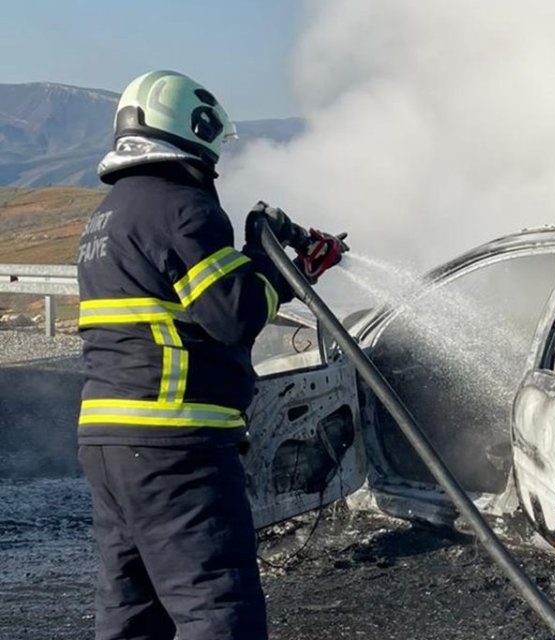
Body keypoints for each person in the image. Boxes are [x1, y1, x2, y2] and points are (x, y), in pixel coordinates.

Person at [76, 69, 345, 640]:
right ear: (191, 128)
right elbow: (234, 317)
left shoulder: (110, 213)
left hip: (108, 441)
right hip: (177, 444)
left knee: (131, 612)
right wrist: (279, 266)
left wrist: (265, 260)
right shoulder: (183, 208)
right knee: (217, 609)